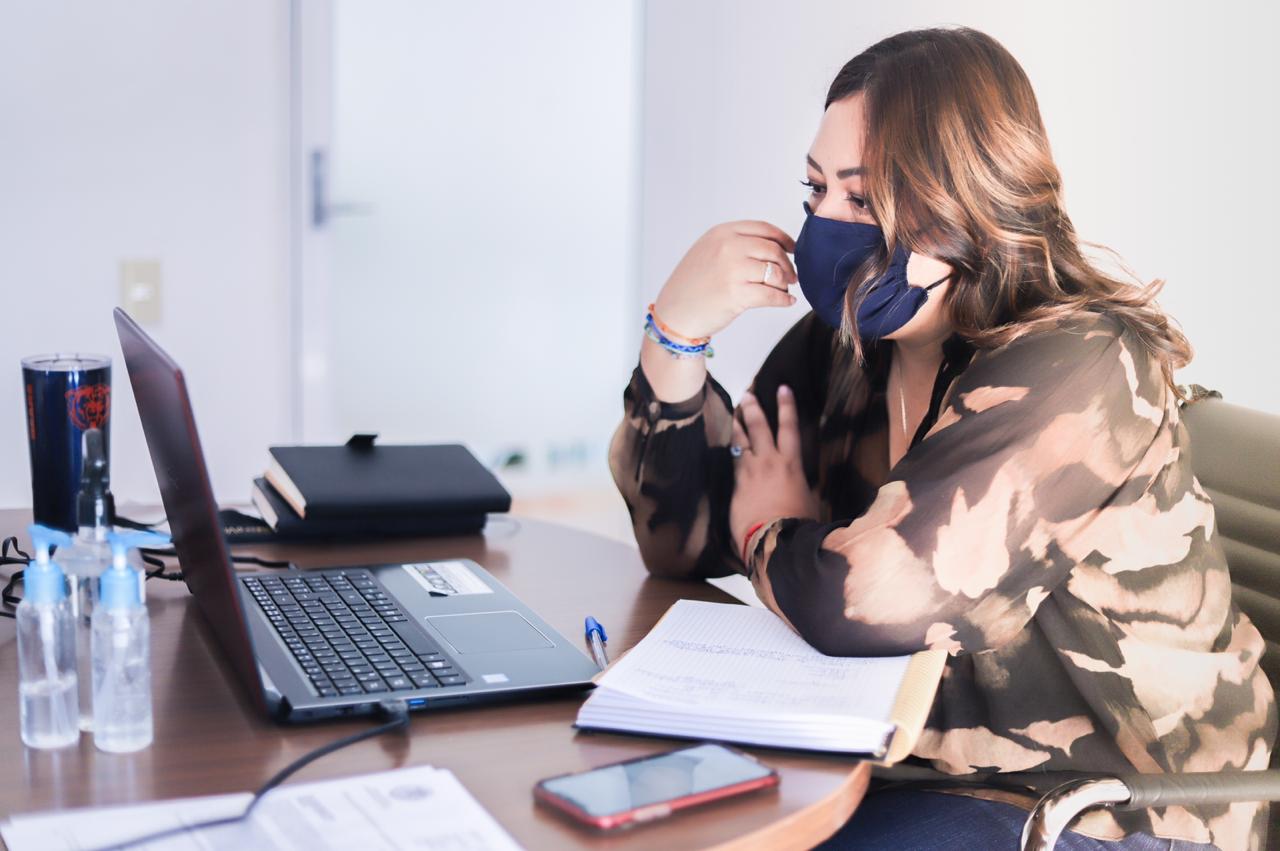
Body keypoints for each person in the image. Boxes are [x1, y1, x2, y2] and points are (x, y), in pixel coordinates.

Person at [608, 26, 1275, 851]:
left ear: (967, 198)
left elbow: (865, 597)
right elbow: (679, 537)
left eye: (862, 199)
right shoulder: (851, 346)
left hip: (1116, 812)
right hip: (935, 776)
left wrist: (763, 531)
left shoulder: (1082, 365)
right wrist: (675, 336)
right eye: (814, 189)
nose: (823, 223)